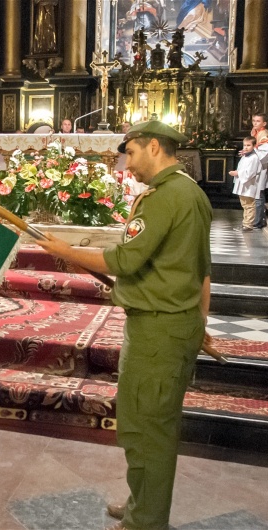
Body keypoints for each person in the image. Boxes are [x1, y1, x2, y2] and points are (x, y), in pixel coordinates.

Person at [34, 121, 212, 530]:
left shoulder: (164, 198)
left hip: (158, 329)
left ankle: (145, 521)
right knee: (149, 422)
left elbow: (125, 260)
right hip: (175, 322)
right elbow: (202, 269)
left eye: (130, 152)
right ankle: (141, 504)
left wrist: (67, 250)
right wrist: (200, 321)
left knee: (147, 428)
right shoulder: (193, 193)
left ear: (153, 146)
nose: (126, 163)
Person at [229, 137, 261, 232]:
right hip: (243, 185)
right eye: (244, 145)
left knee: (249, 205)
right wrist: (237, 172)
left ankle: (248, 225)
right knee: (245, 205)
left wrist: (238, 173)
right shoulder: (245, 156)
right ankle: (245, 223)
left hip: (249, 185)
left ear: (254, 146)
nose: (246, 147)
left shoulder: (254, 158)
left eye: (248, 145)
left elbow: (251, 172)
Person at [249, 113, 268, 229]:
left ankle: (258, 221)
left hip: (261, 168)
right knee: (256, 193)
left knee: (258, 194)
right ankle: (258, 220)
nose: (255, 123)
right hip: (256, 168)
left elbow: (265, 152)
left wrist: (250, 152)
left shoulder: (264, 135)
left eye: (258, 121)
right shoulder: (256, 133)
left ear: (264, 123)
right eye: (253, 120)